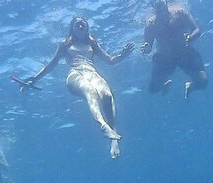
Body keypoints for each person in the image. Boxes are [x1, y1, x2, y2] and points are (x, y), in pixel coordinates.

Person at [17, 16, 134, 159]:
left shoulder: (93, 43)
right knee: (91, 92)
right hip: (75, 74)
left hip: (93, 73)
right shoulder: (65, 44)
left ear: (87, 28)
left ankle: (114, 140)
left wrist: (123, 55)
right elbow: (51, 65)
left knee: (107, 95)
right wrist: (34, 79)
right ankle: (103, 126)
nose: (80, 25)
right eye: (77, 23)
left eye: (83, 23)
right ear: (71, 28)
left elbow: (110, 60)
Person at [140, 0, 208, 98]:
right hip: (165, 58)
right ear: (155, 10)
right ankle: (164, 86)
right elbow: (148, 46)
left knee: (203, 82)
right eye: (158, 10)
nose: (162, 13)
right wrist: (146, 48)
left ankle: (191, 86)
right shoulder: (152, 24)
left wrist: (190, 37)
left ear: (166, 5)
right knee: (153, 88)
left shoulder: (180, 14)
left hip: (185, 54)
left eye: (163, 8)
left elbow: (197, 30)